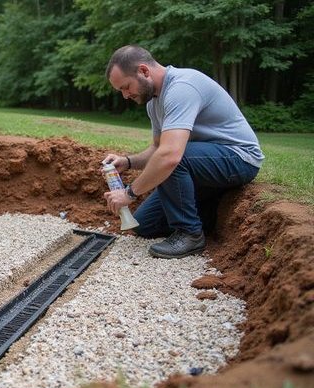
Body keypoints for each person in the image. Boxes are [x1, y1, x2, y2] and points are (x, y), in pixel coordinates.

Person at [102, 45, 263, 259]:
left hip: (239, 157)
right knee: (145, 224)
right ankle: (209, 211)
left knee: (173, 160)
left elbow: (169, 156)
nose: (125, 95)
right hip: (203, 164)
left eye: (126, 87)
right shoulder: (154, 102)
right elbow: (158, 148)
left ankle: (190, 234)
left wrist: (129, 193)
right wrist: (128, 161)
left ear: (143, 71)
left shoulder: (182, 87)